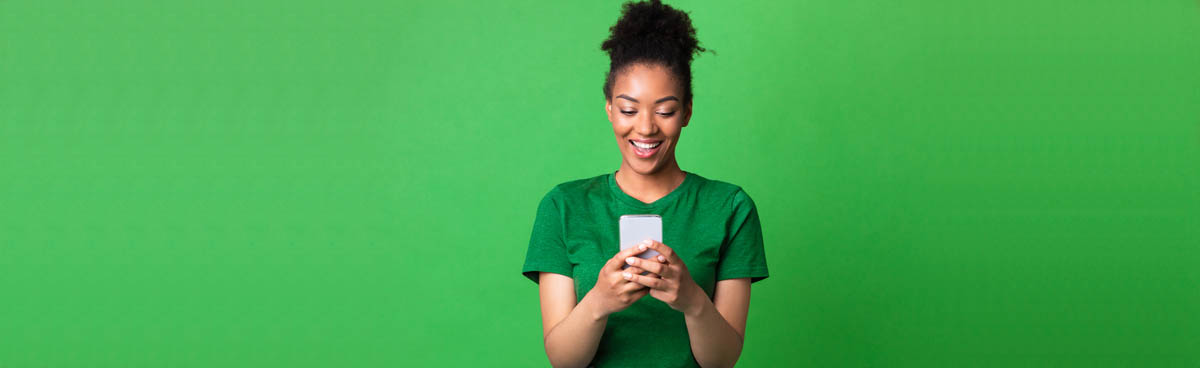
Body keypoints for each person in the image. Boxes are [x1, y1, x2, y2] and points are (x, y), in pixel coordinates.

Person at [520, 1, 768, 366]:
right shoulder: (563, 206)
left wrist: (692, 300)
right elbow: (563, 360)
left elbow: (722, 360)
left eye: (665, 110)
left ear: (687, 111)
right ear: (608, 108)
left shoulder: (730, 207)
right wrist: (599, 301)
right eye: (628, 109)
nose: (646, 127)